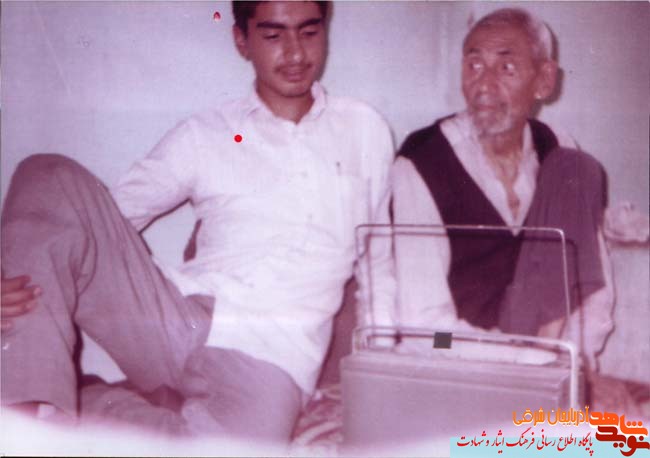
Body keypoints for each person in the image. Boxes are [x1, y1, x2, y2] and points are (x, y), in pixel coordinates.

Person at [0, 0, 395, 444]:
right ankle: (28, 411)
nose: (295, 52)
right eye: (273, 35)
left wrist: (386, 365)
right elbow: (98, 221)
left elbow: (380, 262)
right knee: (49, 175)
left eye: (309, 32)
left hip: (272, 355)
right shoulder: (206, 133)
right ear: (242, 41)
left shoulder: (364, 129)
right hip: (172, 320)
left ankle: (84, 403)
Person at [391, 8, 614, 369]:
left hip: (545, 355)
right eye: (474, 65)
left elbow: (593, 284)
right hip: (451, 355)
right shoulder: (421, 162)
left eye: (506, 67)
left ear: (544, 80)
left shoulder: (558, 149)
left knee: (576, 167)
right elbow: (424, 329)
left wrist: (574, 363)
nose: (484, 85)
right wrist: (525, 359)